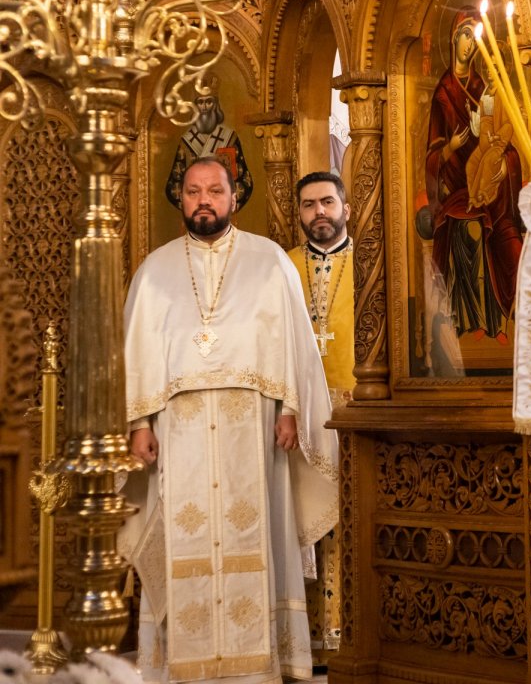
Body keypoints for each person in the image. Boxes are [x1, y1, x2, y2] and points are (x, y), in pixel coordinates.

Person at [120, 157, 338, 684]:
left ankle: (260, 664)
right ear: (182, 199)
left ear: (233, 197)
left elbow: (295, 347)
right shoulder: (154, 271)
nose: (203, 201)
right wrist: (140, 423)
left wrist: (291, 412)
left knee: (256, 528)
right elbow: (139, 352)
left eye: (214, 190)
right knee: (181, 530)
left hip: (255, 429)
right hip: (179, 431)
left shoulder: (269, 262)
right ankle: (183, 663)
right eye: (194, 191)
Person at [287, 171, 356, 659]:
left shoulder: (373, 263)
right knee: (305, 515)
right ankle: (306, 635)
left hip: (355, 410)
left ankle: (347, 632)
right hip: (299, 412)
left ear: (346, 208)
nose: (320, 213)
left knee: (349, 516)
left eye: (328, 202)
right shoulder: (284, 267)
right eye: (309, 205)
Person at [424, 8, 524, 340]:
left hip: (487, 172)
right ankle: (468, 322)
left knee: (492, 225)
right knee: (467, 230)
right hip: (456, 185)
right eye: (464, 35)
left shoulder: (483, 86)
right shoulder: (443, 90)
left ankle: (494, 322)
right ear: (454, 40)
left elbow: (496, 120)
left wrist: (493, 141)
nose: (469, 44)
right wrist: (451, 146)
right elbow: (433, 153)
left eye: (473, 37)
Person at [166, 84, 254, 210]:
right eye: (200, 102)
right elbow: (174, 185)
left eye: (209, 102)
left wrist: (225, 206)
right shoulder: (186, 142)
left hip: (223, 215)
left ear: (215, 105)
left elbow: (244, 181)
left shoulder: (229, 138)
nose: (205, 107)